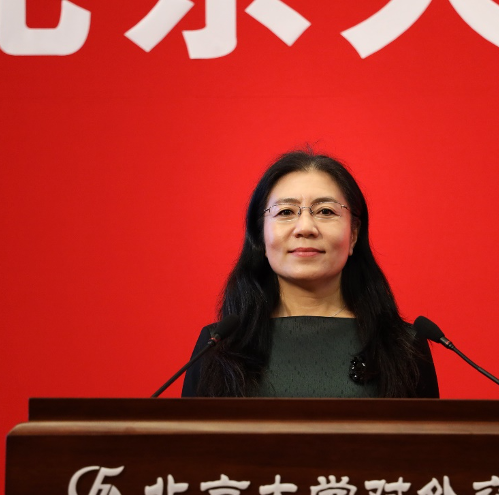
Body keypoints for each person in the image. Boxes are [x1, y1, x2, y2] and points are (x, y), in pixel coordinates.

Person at [181, 149, 439, 398]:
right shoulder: (218, 345)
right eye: (285, 212)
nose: (305, 228)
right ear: (260, 237)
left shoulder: (403, 346)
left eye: (326, 211)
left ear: (353, 234)